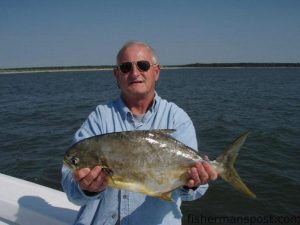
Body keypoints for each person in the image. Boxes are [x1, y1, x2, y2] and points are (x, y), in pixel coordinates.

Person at [62, 41, 218, 225]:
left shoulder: (177, 119)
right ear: (117, 74)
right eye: (126, 67)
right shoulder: (99, 117)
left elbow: (195, 193)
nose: (135, 73)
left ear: (157, 71)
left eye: (142, 65)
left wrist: (192, 183)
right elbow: (71, 188)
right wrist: (86, 188)